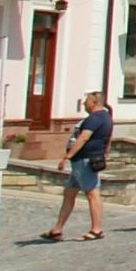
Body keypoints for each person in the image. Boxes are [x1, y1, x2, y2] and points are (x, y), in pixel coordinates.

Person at [40, 90, 115, 241]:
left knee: (92, 193)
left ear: (94, 102)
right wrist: (105, 152)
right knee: (69, 194)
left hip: (85, 160)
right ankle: (57, 229)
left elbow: (82, 138)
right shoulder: (106, 117)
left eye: (87, 101)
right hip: (82, 161)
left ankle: (96, 229)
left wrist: (67, 156)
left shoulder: (94, 119)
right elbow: (108, 138)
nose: (84, 103)